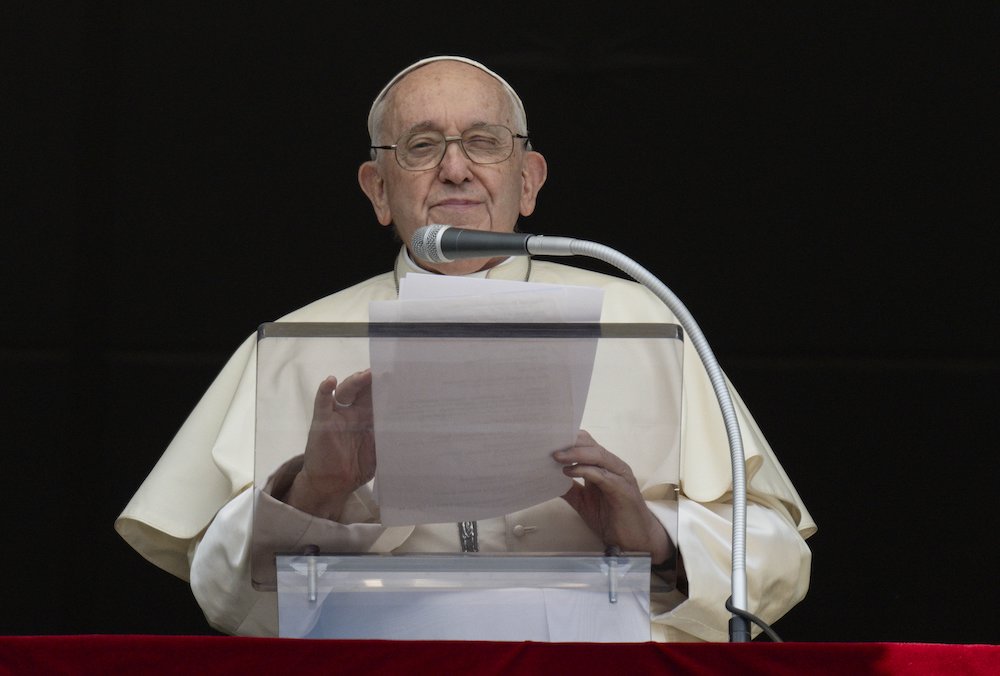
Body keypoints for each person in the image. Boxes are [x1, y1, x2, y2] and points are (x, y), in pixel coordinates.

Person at [116, 55, 815, 641]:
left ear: (529, 179)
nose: (455, 170)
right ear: (377, 190)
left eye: (484, 142)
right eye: (421, 146)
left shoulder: (644, 317)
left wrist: (653, 536)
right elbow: (222, 598)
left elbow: (778, 560)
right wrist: (313, 493)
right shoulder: (301, 342)